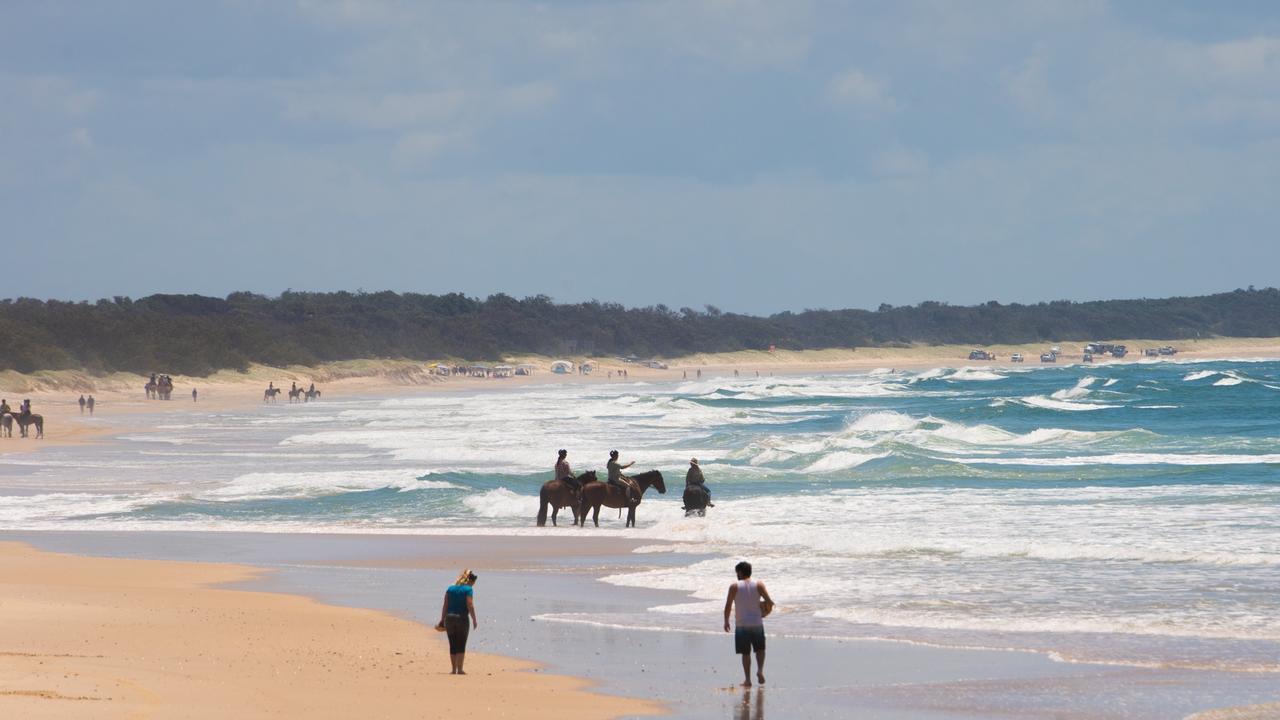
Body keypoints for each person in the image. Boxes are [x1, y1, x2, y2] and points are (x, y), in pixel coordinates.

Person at [724, 561, 773, 688]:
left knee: (746, 653)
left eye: (737, 573)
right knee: (760, 649)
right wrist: (764, 610)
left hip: (742, 624)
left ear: (740, 572)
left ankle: (747, 680)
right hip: (757, 623)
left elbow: (728, 605)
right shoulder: (759, 585)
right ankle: (760, 670)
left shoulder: (734, 587)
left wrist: (726, 621)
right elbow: (769, 602)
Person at [437, 569, 478, 675]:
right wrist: (474, 618)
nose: (473, 585)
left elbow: (445, 605)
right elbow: (470, 604)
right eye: (473, 583)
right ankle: (460, 669)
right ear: (469, 581)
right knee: (461, 643)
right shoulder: (468, 589)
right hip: (462, 618)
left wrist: (442, 620)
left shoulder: (450, 589)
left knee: (452, 644)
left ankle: (453, 669)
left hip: (449, 618)